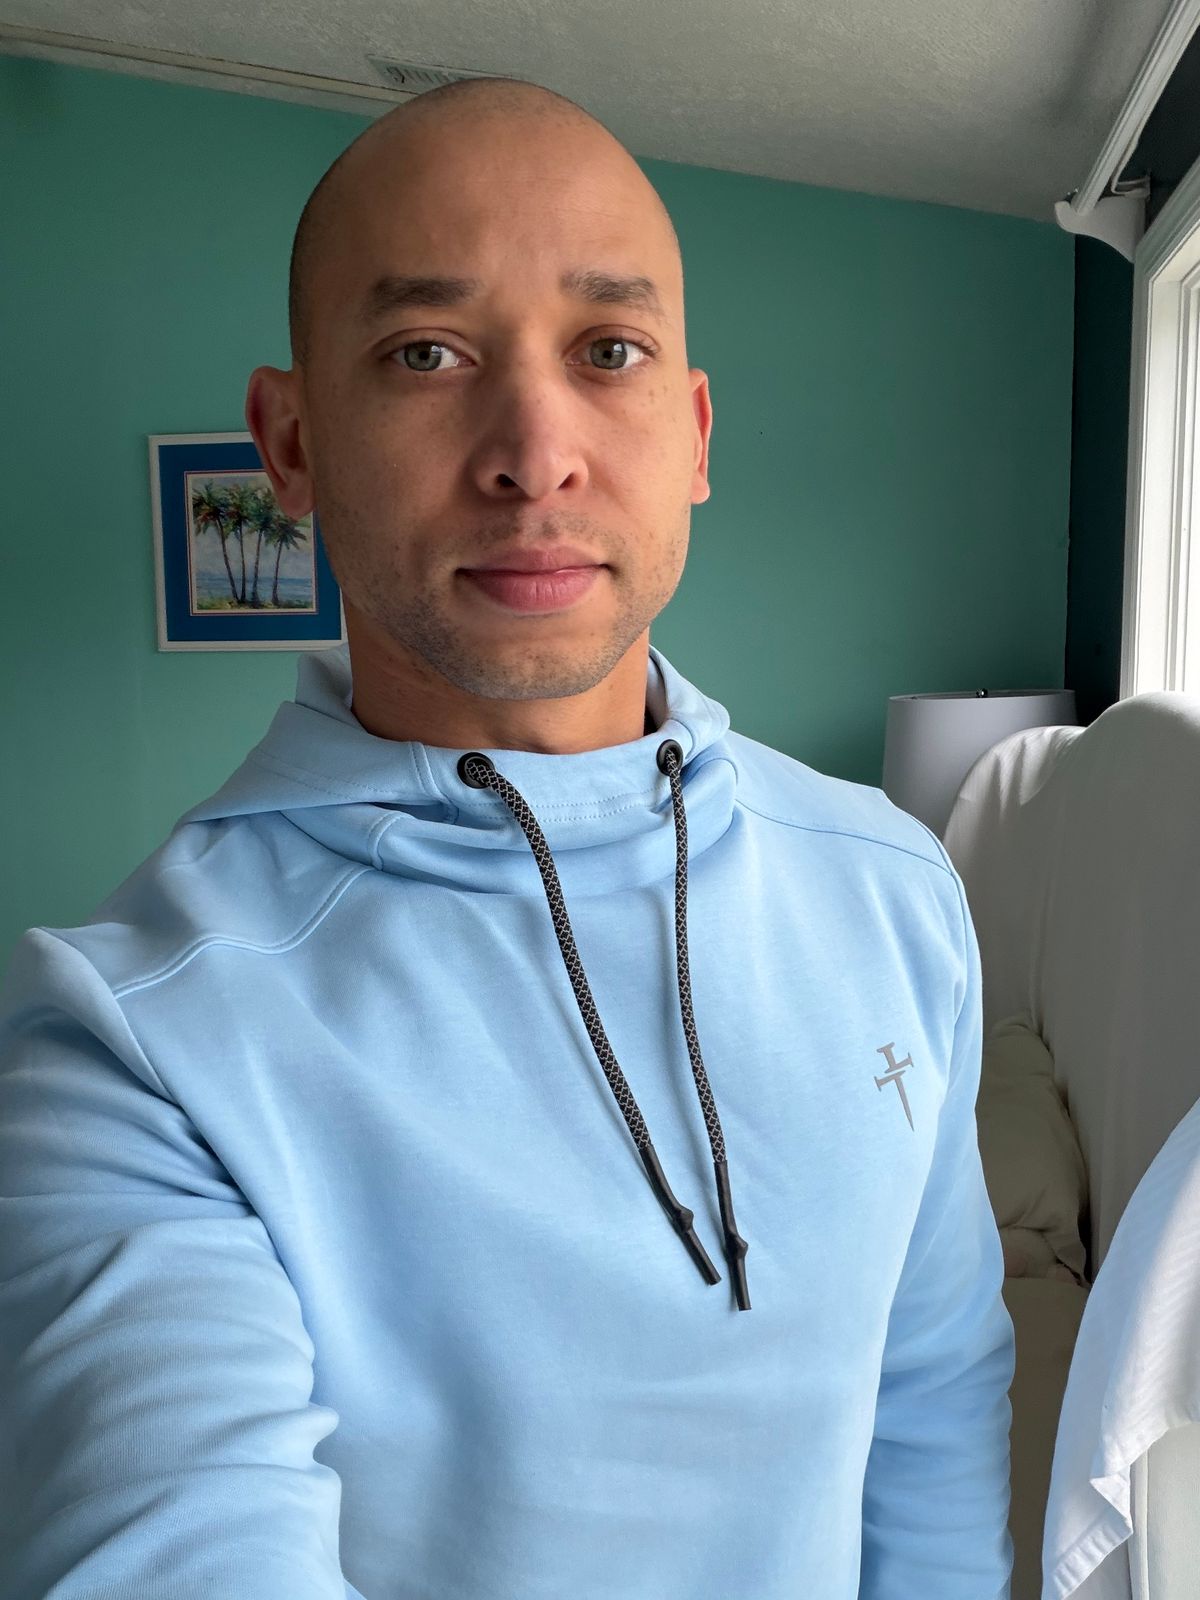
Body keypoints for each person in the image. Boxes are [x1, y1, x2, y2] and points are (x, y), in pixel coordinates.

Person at [0, 76, 1014, 1599]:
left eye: (609, 351)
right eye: (427, 352)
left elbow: (930, 1401)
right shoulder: (129, 1044)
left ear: (693, 434)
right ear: (291, 443)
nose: (535, 455)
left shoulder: (897, 889)